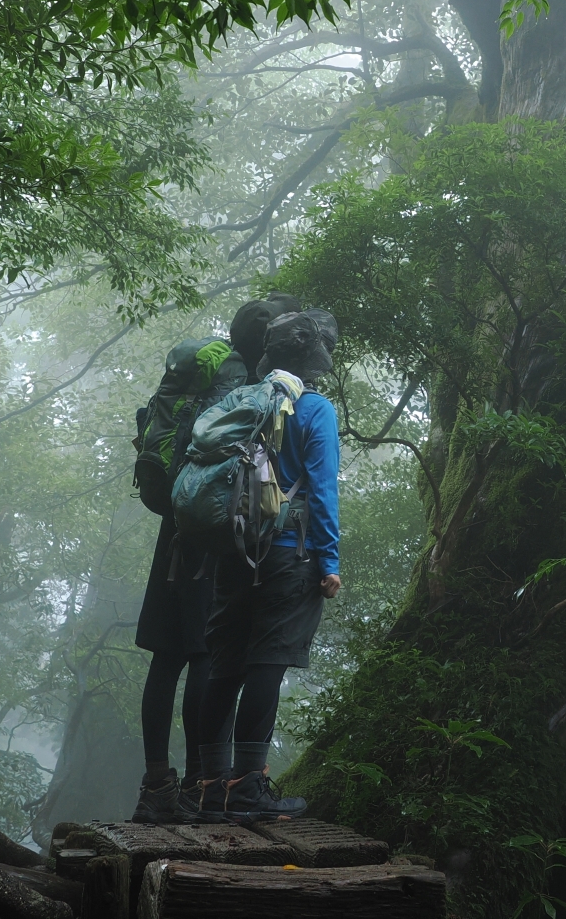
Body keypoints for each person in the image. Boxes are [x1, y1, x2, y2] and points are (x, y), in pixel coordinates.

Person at [131, 294, 301, 824]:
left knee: (166, 656)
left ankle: (156, 786)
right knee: (207, 656)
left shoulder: (209, 370)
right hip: (216, 531)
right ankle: (199, 787)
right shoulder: (254, 388)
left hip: (176, 526)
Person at [194, 309, 342, 822]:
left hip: (232, 553)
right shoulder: (315, 409)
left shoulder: (240, 402)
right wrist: (330, 561)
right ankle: (249, 788)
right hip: (287, 556)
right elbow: (322, 491)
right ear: (314, 361)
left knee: (224, 667)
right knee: (265, 665)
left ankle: (211, 789)